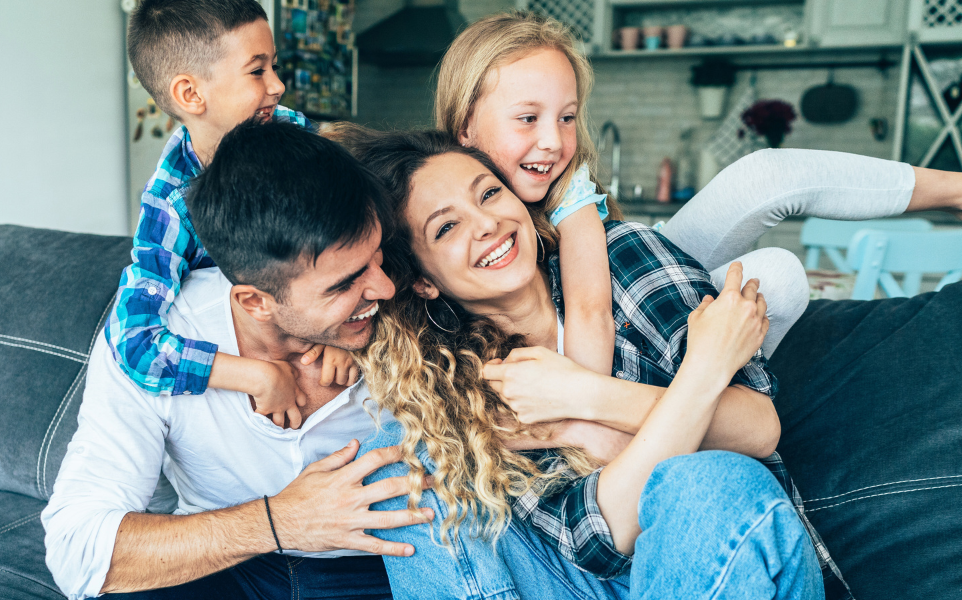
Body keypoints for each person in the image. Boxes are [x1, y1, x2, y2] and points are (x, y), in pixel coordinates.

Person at [335, 128, 848, 599]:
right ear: (423, 280)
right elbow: (600, 538)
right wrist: (706, 368)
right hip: (585, 582)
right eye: (447, 227)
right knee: (395, 454)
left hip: (722, 561)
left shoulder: (624, 259)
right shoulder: (459, 377)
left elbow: (758, 430)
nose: (488, 223)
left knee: (707, 484)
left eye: (489, 193)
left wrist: (583, 403)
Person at [435, 11, 962, 359]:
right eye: (527, 118)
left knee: (770, 217)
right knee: (773, 273)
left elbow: (596, 308)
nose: (553, 141)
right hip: (595, 354)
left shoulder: (569, 190)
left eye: (568, 117)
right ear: (464, 125)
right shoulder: (425, 207)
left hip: (627, 299)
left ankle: (955, 189)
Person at [42, 122, 423, 600]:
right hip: (233, 561)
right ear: (255, 302)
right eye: (344, 284)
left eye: (377, 257)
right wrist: (279, 522)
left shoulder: (410, 307)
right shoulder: (158, 342)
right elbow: (77, 547)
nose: (383, 288)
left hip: (384, 568)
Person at [106, 0, 356, 429]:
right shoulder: (170, 204)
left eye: (273, 66)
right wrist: (254, 376)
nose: (277, 86)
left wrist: (346, 330)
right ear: (190, 94)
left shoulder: (294, 132)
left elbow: (358, 239)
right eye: (257, 71)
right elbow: (134, 341)